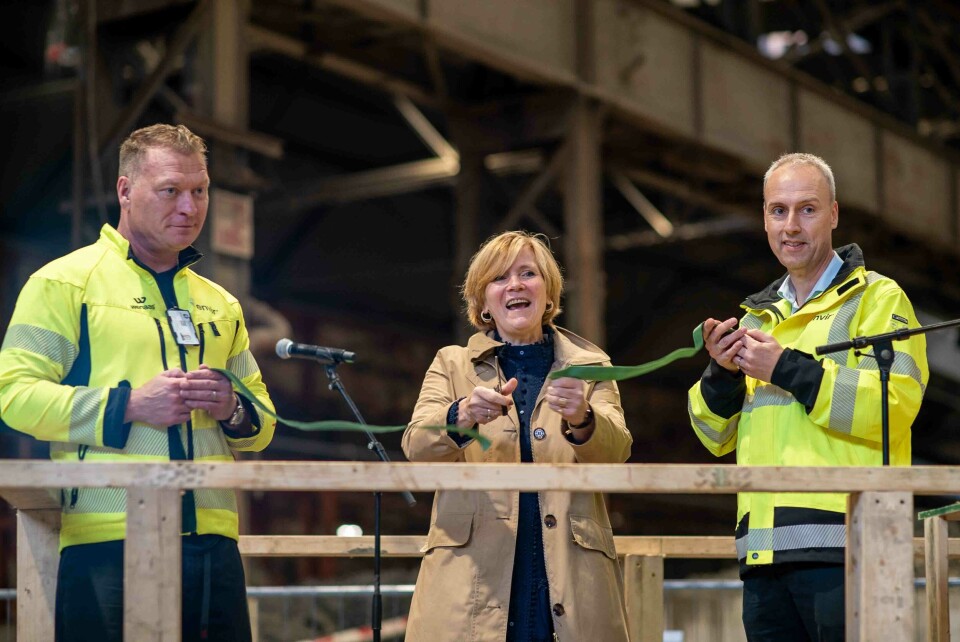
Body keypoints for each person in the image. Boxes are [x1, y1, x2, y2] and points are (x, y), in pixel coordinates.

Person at [0, 123, 276, 641]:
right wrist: (129, 405)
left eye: (200, 191)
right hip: (109, 539)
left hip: (214, 542)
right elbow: (13, 396)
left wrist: (230, 407)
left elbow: (262, 423)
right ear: (126, 191)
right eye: (170, 190)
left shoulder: (221, 302)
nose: (189, 208)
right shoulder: (65, 283)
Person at [687, 153, 928, 641]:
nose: (790, 226)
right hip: (763, 556)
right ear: (764, 218)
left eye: (807, 210)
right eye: (778, 210)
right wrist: (722, 374)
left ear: (834, 215)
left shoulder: (879, 300)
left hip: (851, 546)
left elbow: (895, 404)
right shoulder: (755, 320)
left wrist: (786, 368)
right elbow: (713, 435)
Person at [402, 231, 632, 642]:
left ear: (548, 293)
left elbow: (618, 452)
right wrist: (464, 413)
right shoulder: (451, 364)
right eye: (499, 278)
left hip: (570, 578)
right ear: (483, 302)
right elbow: (417, 445)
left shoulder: (591, 365)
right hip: (470, 581)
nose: (515, 285)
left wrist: (583, 416)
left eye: (528, 274)